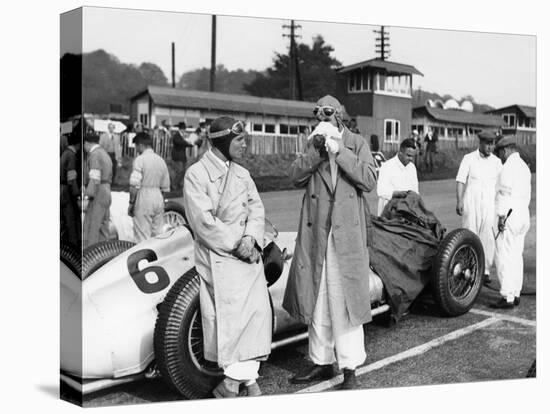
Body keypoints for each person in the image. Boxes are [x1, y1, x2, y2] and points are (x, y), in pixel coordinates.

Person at [283, 95, 377, 390]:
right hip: (318, 234)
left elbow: (369, 180)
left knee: (345, 298)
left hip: (346, 235)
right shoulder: (314, 143)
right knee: (319, 296)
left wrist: (341, 152)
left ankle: (349, 367)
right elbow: (294, 177)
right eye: (318, 116)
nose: (322, 121)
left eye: (327, 116)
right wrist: (318, 153)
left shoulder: (356, 142)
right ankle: (321, 362)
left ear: (339, 116)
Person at [183, 116, 271, 398]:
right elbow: (203, 222)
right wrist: (236, 242)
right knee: (232, 317)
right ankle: (242, 382)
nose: (245, 145)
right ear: (222, 141)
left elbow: (257, 210)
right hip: (218, 254)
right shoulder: (196, 174)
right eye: (239, 140)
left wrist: (250, 238)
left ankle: (235, 383)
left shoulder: (243, 174)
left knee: (257, 314)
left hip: (246, 252)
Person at [455, 131, 502, 283]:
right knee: (470, 233)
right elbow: (461, 180)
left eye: (492, 144)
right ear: (480, 143)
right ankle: (469, 268)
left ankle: (485, 270)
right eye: (487, 144)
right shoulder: (468, 158)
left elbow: (501, 186)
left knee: (488, 236)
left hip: (490, 202)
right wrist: (459, 201)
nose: (490, 147)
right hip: (471, 201)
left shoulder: (496, 162)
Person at [491, 135, 531, 309]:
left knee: (504, 255)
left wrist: (500, 217)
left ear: (505, 150)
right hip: (523, 214)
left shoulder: (507, 167)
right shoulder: (524, 167)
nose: (499, 156)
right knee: (516, 255)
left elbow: (504, 194)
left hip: (509, 215)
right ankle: (515, 292)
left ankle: (507, 295)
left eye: (500, 152)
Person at [128, 132, 171, 243]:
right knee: (158, 235)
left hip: (144, 196)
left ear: (141, 145)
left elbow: (134, 185)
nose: (136, 149)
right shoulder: (161, 161)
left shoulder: (140, 160)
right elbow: (165, 187)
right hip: (158, 196)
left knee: (142, 236)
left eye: (136, 146)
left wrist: (131, 203)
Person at [82, 133, 112, 247]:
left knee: (92, 226)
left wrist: (88, 196)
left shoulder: (94, 155)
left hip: (98, 191)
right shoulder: (105, 153)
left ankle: (91, 256)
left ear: (86, 143)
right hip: (107, 189)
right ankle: (104, 253)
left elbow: (94, 178)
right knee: (103, 226)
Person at [376, 138, 419, 215]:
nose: (411, 159)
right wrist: (397, 193)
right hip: (389, 213)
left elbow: (416, 191)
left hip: (407, 211)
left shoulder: (412, 167)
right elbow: (381, 191)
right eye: (408, 155)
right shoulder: (387, 166)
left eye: (412, 156)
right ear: (400, 152)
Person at [60, 132, 81, 246]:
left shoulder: (64, 153)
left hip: (61, 188)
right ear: (78, 144)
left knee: (63, 219)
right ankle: (73, 245)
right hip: (66, 191)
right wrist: (76, 193)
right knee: (70, 219)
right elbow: (71, 177)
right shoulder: (71, 155)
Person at [171, 121, 193, 192]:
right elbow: (179, 142)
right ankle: (174, 184)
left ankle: (179, 184)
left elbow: (185, 143)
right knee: (180, 171)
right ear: (181, 129)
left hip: (182, 156)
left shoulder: (182, 136)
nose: (184, 130)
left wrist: (190, 143)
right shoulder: (177, 135)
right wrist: (187, 142)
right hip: (178, 156)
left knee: (183, 171)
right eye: (183, 128)